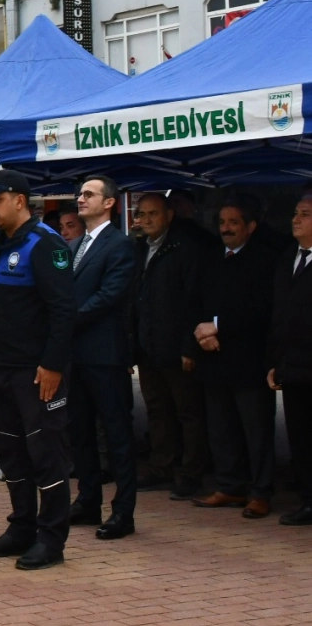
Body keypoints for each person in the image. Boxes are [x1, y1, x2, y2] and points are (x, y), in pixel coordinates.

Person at [0, 171, 76, 570]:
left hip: (36, 371)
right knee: (10, 452)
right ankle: (21, 528)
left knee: (46, 454)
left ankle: (51, 539)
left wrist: (52, 365)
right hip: (0, 366)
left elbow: (64, 311)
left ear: (19, 200)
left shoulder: (44, 244)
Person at [191, 195, 280, 517]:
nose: (226, 229)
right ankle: (229, 486)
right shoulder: (211, 258)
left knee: (256, 431)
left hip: (249, 361)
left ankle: (261, 491)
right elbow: (195, 299)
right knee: (221, 428)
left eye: (233, 223)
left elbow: (263, 310)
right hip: (214, 361)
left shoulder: (266, 261)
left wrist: (217, 327)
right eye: (222, 223)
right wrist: (201, 333)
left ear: (250, 226)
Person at [64, 175, 139, 539]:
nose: (81, 199)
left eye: (89, 194)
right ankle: (88, 499)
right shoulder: (76, 244)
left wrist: (68, 320)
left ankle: (123, 510)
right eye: (80, 194)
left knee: (116, 434)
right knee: (79, 432)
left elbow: (110, 295)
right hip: (75, 355)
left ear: (109, 202)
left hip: (105, 354)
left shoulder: (120, 245)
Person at [129, 192, 207, 498]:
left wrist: (190, 346)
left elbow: (193, 301)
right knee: (157, 410)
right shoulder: (138, 250)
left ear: (169, 216)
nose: (146, 220)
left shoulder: (184, 249)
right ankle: (161, 467)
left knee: (188, 413)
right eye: (142, 214)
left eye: (153, 214)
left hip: (176, 347)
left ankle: (192, 473)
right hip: (148, 346)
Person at [267, 193, 312, 526]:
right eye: (296, 213)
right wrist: (275, 361)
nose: (296, 219)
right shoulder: (289, 258)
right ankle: (308, 499)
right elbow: (278, 313)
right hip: (292, 365)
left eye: (305, 214)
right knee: (300, 435)